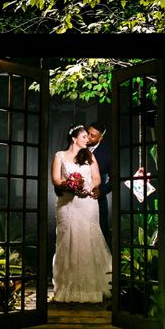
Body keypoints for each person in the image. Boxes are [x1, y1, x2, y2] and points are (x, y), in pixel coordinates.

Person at [50, 124, 112, 303]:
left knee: (87, 241)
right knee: (68, 241)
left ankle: (89, 288)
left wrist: (87, 188)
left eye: (89, 137)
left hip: (87, 204)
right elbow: (55, 179)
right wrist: (70, 186)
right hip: (67, 205)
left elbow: (97, 178)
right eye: (84, 137)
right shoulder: (59, 156)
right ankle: (67, 288)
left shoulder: (90, 156)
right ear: (74, 138)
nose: (88, 139)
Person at [86, 122, 112, 248]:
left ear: (100, 138)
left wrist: (101, 191)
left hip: (98, 198)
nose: (88, 137)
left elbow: (115, 180)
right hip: (77, 198)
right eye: (88, 133)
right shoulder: (78, 146)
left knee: (101, 231)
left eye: (93, 136)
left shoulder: (108, 153)